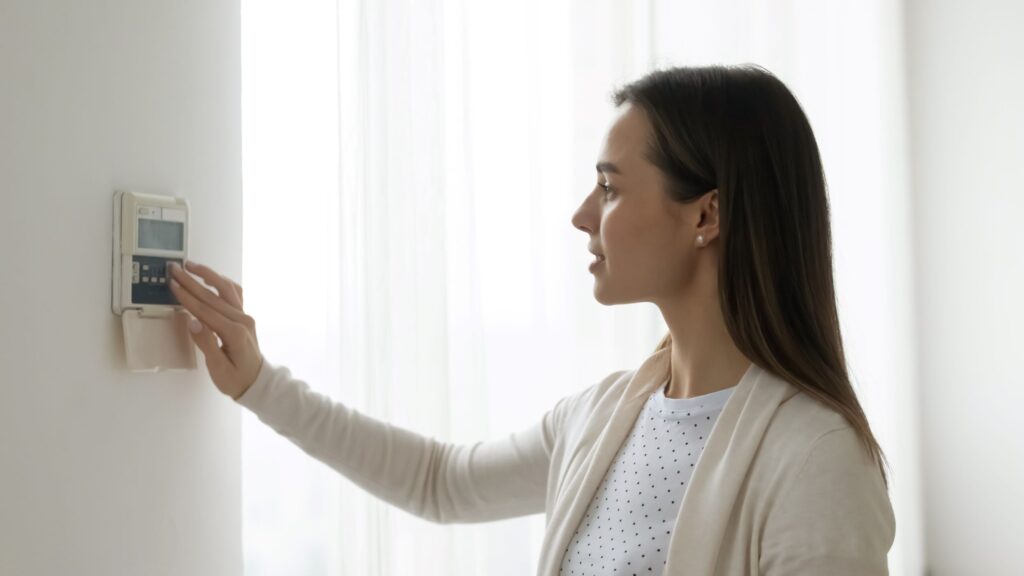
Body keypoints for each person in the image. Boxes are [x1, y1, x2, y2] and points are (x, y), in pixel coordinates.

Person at [168, 64, 895, 575]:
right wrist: (260, 385)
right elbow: (439, 481)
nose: (583, 215)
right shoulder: (603, 416)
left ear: (706, 214)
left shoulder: (816, 458)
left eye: (609, 188)